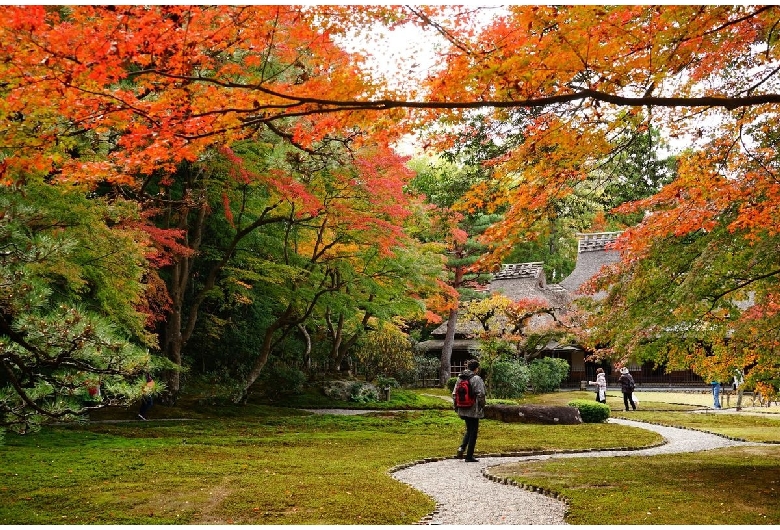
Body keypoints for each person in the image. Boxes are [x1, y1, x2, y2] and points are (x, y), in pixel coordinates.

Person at [452, 359, 486, 463]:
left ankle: (461, 449)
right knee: (473, 431)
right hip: (473, 408)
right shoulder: (476, 378)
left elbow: (454, 394)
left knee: (469, 429)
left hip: (462, 407)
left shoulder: (460, 378)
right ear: (476, 369)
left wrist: (456, 406)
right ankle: (469, 456)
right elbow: (481, 394)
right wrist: (482, 406)